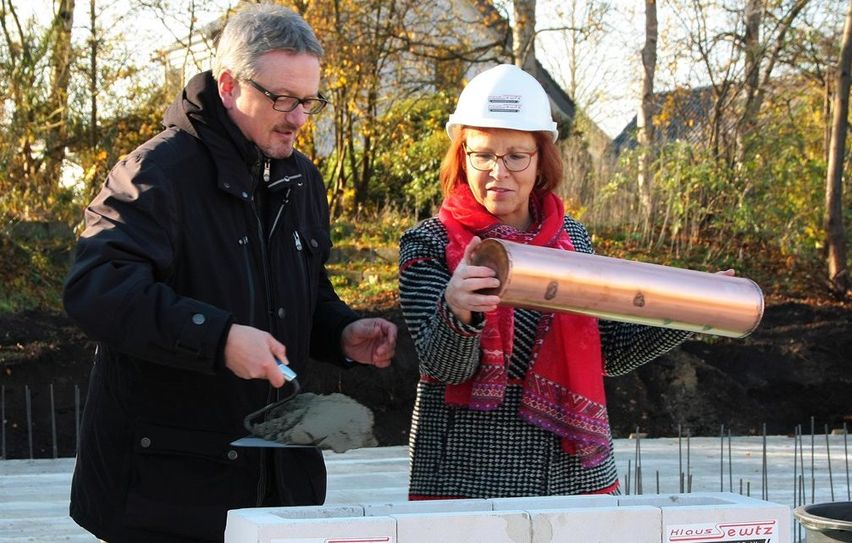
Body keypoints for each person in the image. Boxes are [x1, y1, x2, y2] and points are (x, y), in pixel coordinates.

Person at [62, 4, 397, 542]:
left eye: (309, 101)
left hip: (277, 482)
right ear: (227, 85)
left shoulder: (301, 180)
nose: (298, 118)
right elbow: (96, 291)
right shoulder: (155, 174)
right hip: (166, 491)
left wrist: (340, 331)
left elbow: (303, 292)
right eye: (282, 99)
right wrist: (217, 339)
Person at [398, 64, 697, 499]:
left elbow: (608, 349)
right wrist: (457, 309)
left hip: (576, 476)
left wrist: (690, 309)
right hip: (469, 479)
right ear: (462, 157)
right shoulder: (429, 243)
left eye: (516, 156)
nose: (498, 172)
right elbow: (447, 369)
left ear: (541, 162)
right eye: (482, 154)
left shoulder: (571, 238)